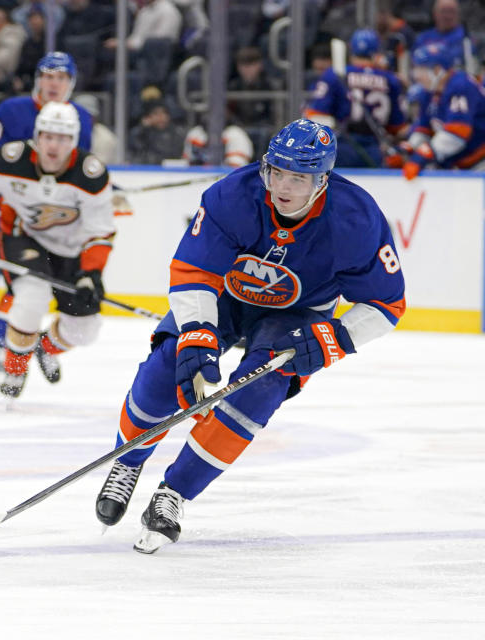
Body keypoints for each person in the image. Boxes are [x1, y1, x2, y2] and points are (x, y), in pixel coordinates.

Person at [93, 119, 406, 553]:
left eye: (298, 177)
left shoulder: (356, 219)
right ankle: (126, 462)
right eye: (277, 171)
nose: (283, 185)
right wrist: (199, 331)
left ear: (322, 179)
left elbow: (387, 305)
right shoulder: (232, 196)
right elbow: (194, 271)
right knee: (171, 362)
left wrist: (334, 337)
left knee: (262, 387)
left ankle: (174, 494)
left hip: (296, 313)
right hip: (225, 296)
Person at [0, 102, 113, 399]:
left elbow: (100, 234)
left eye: (63, 138)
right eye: (48, 136)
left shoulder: (91, 175)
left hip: (72, 251)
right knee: (32, 298)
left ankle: (43, 347)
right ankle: (15, 370)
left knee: (85, 329)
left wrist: (90, 274)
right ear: (37, 136)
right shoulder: (11, 159)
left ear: (74, 141)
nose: (54, 146)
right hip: (24, 240)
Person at [303, 29, 407, 168]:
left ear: (351, 49)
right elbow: (396, 126)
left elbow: (316, 115)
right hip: (376, 148)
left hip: (343, 144)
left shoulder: (335, 75)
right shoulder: (390, 79)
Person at [397, 43, 485, 179]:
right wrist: (409, 149)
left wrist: (423, 154)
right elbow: (423, 127)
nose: (417, 75)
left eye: (422, 69)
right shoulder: (428, 91)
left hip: (480, 162)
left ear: (438, 70)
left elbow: (456, 135)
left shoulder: (461, 86)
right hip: (458, 164)